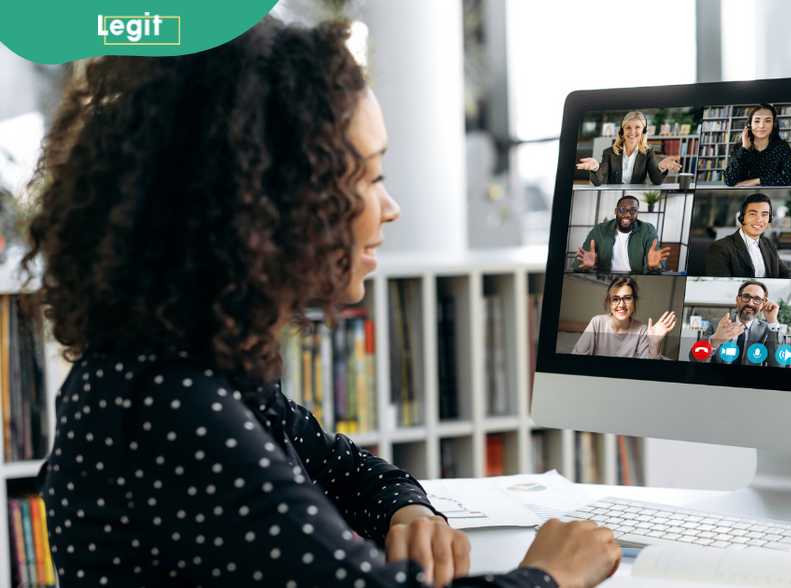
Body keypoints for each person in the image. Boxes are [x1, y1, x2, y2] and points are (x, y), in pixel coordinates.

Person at [23, 17, 620, 588]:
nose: (390, 208)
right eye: (368, 177)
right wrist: (554, 573)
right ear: (267, 200)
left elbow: (339, 465)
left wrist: (407, 512)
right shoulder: (174, 408)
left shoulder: (186, 372)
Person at [571, 277, 677, 359]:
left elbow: (648, 370)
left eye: (627, 298)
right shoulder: (597, 322)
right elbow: (576, 357)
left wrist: (654, 344)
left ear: (634, 301)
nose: (621, 305)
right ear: (609, 302)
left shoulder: (642, 330)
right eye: (615, 299)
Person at [705, 193, 791, 278]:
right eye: (753, 214)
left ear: (769, 219)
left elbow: (786, 272)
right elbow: (720, 287)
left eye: (764, 214)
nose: (759, 220)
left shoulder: (768, 243)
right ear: (742, 218)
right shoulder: (720, 248)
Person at [576, 110, 681, 185]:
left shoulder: (648, 152)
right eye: (628, 127)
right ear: (622, 131)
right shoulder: (609, 152)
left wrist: (661, 167)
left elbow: (656, 181)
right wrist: (595, 168)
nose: (632, 132)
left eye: (637, 127)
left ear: (643, 131)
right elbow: (598, 181)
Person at [573, 195, 671, 274]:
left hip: (635, 277)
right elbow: (577, 264)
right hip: (607, 276)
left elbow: (658, 262)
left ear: (637, 213)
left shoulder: (647, 230)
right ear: (615, 211)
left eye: (633, 211)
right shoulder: (599, 230)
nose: (627, 214)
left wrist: (651, 266)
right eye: (622, 210)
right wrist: (586, 267)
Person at [722, 103, 791, 187]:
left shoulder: (782, 147)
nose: (761, 126)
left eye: (767, 121)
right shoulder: (739, 148)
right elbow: (729, 180)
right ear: (749, 124)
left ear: (773, 124)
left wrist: (757, 181)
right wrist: (744, 148)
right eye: (757, 121)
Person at [704, 280, 780, 366]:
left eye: (757, 299)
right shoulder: (717, 325)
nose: (750, 303)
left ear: (763, 304)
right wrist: (713, 342)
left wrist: (772, 321)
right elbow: (694, 358)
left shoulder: (767, 330)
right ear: (738, 300)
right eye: (746, 296)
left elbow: (777, 364)